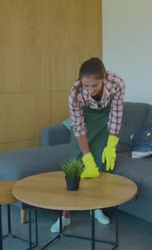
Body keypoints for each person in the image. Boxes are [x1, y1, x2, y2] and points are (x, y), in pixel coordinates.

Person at [50, 57, 126, 233]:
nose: (90, 90)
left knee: (102, 163)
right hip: (85, 118)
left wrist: (111, 144)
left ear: (104, 78)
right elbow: (78, 126)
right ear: (79, 81)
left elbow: (116, 114)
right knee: (75, 166)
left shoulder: (117, 83)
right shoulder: (75, 93)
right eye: (86, 86)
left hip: (104, 119)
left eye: (95, 86)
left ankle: (96, 207)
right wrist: (87, 156)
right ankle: (65, 216)